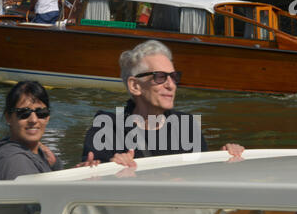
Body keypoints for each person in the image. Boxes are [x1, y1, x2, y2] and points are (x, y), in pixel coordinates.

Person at [79, 40, 244, 168]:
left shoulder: (186, 126)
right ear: (135, 86)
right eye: (160, 77)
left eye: (174, 77)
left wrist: (224, 159)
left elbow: (201, 179)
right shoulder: (107, 127)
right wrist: (111, 166)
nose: (171, 85)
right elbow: (91, 175)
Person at [0, 81, 63, 180]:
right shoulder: (17, 163)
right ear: (8, 117)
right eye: (24, 113)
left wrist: (54, 164)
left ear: (48, 117)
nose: (33, 120)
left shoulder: (39, 154)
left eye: (41, 113)